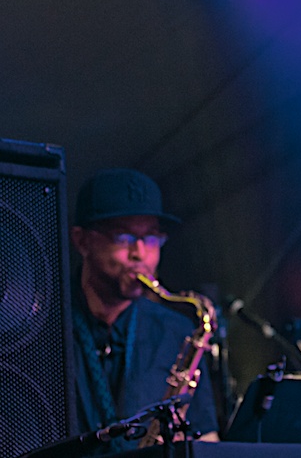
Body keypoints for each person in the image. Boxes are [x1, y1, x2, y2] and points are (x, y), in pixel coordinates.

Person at [70, 168, 219, 451]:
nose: (140, 254)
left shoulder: (177, 330)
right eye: (123, 237)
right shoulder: (39, 327)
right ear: (82, 241)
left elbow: (206, 439)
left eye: (151, 238)